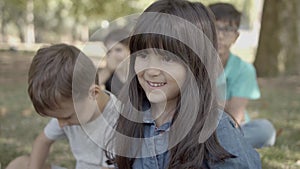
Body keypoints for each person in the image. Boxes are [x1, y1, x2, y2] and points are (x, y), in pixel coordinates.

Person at [103, 0, 262, 168]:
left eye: (167, 58)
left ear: (196, 62)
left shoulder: (215, 127)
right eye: (143, 55)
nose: (151, 71)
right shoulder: (131, 120)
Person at [6, 44, 113, 169]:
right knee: (19, 165)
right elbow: (42, 141)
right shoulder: (71, 109)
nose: (61, 124)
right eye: (57, 118)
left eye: (67, 117)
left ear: (93, 94)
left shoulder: (118, 123)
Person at [209, 2, 276, 148]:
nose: (220, 36)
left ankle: (213, 147)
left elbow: (234, 117)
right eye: (215, 28)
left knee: (265, 130)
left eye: (227, 30)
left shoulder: (244, 70)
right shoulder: (192, 63)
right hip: (197, 128)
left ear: (236, 36)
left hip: (231, 129)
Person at [98, 29, 130, 95]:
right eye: (109, 51)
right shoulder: (109, 75)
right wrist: (108, 70)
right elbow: (88, 90)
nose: (112, 55)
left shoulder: (139, 73)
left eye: (118, 50)